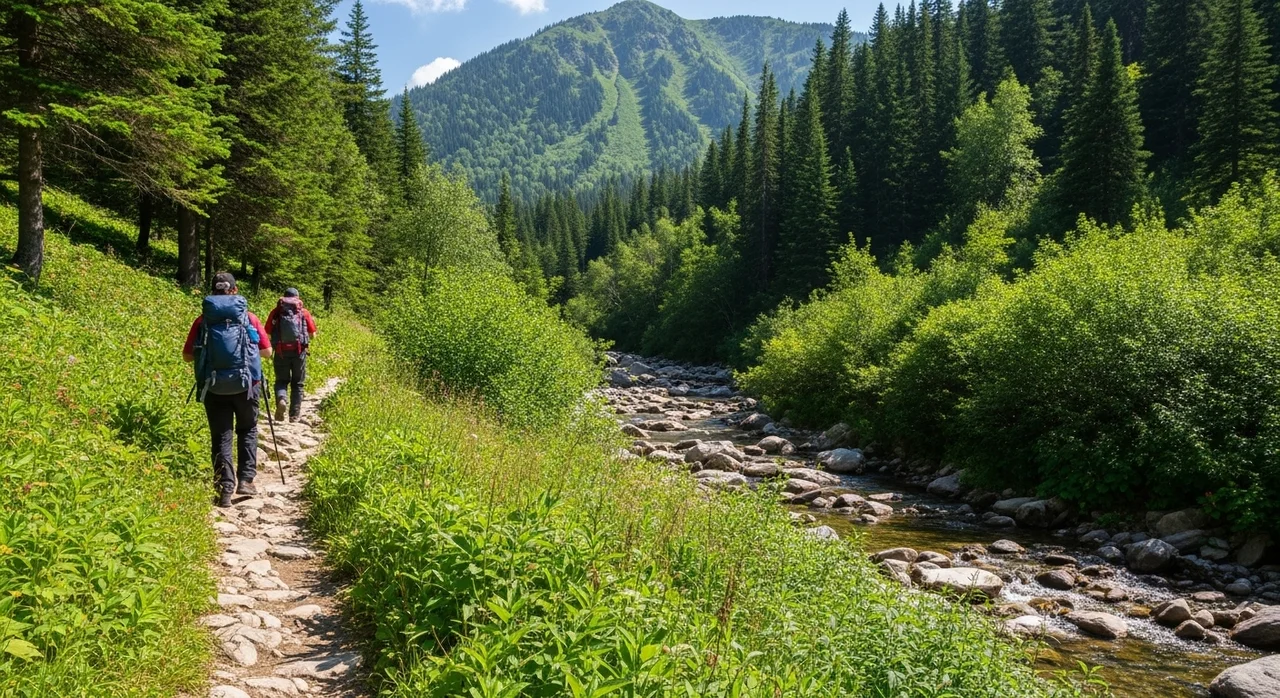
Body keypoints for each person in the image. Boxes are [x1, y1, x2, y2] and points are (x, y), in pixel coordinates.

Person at [183, 272, 272, 507]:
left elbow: (187, 356)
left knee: (221, 436)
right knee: (247, 429)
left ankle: (224, 490)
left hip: (214, 387)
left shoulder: (203, 320)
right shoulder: (249, 318)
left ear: (212, 291)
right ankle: (245, 481)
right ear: (235, 290)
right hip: (247, 386)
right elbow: (267, 352)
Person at [264, 288, 317, 422]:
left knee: (281, 380)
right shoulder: (303, 312)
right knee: (298, 383)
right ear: (297, 298)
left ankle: (282, 399)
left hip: (281, 351)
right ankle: (294, 415)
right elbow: (312, 335)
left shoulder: (276, 312)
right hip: (299, 352)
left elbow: (267, 333)